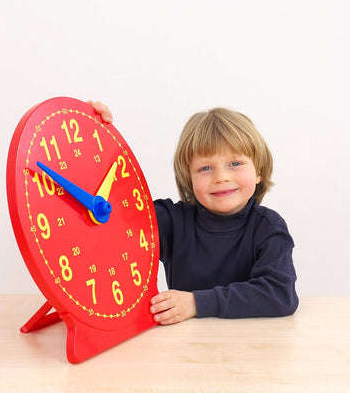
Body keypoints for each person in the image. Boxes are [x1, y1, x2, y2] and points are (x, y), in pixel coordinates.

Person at [90, 101, 298, 325]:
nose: (221, 177)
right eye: (205, 168)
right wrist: (95, 135)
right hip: (185, 348)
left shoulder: (268, 226)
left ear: (258, 172)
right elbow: (108, 208)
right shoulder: (171, 221)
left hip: (252, 347)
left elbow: (280, 294)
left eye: (235, 163)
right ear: (189, 178)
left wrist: (197, 303)